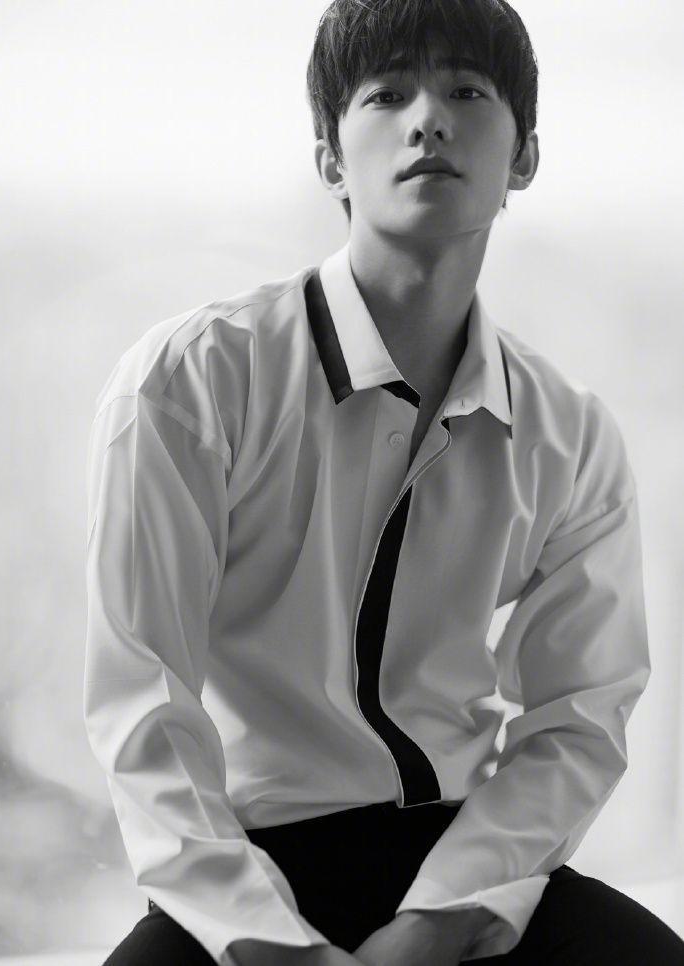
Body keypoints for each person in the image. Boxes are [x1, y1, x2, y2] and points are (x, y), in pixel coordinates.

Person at [83, 1, 684, 963]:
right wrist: (269, 944)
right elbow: (142, 705)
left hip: (463, 860)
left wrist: (439, 923)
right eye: (389, 93)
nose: (428, 120)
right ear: (331, 158)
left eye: (467, 92)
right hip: (248, 868)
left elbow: (577, 720)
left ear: (525, 157)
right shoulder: (190, 382)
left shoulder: (570, 434)